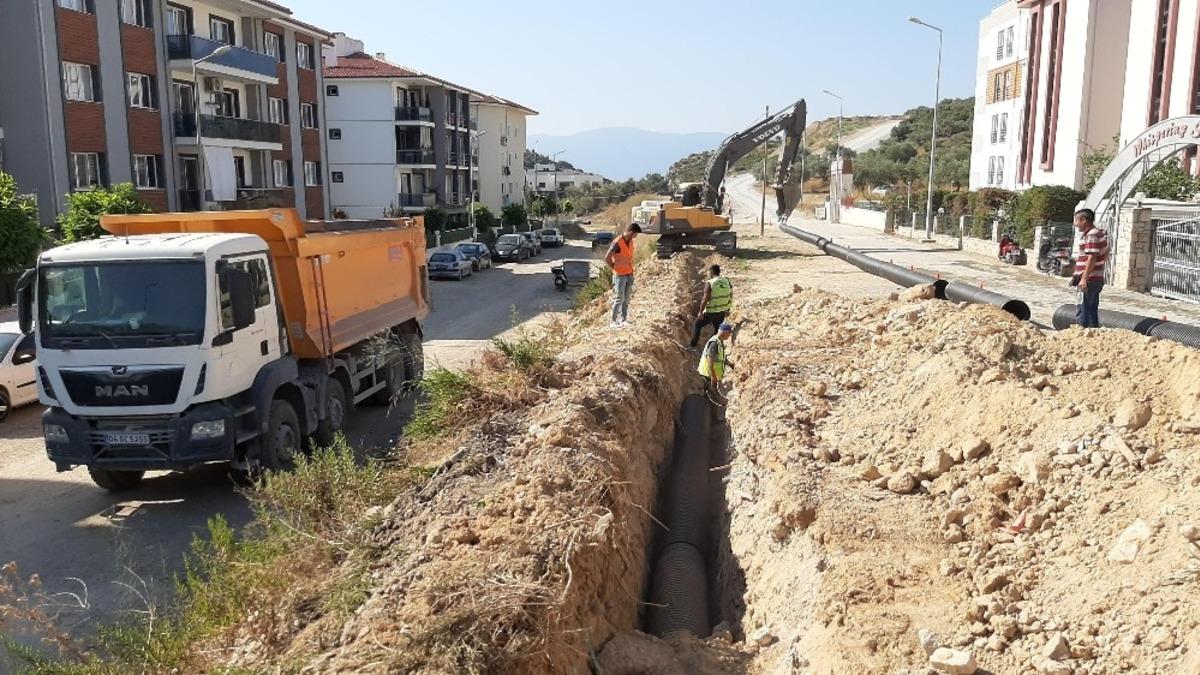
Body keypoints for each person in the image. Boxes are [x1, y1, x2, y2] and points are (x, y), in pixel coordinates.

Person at [1072, 208, 1108, 329]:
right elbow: (1106, 252)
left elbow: (1092, 257)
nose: (1075, 223)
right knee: (1092, 309)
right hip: (1095, 278)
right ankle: (1092, 335)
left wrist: (1084, 278)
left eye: (1076, 220)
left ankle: (1082, 335)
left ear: (1083, 220)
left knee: (1083, 310)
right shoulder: (1098, 233)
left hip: (1090, 279)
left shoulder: (1092, 234)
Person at [605, 222, 641, 328]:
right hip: (620, 275)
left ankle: (624, 319)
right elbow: (607, 258)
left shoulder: (630, 242)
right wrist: (614, 268)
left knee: (626, 298)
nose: (635, 237)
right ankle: (613, 321)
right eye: (635, 234)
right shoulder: (617, 242)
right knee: (619, 298)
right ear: (630, 232)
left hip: (629, 273)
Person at [690, 264, 733, 349]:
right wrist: (728, 308)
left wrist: (700, 312)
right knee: (717, 330)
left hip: (711, 311)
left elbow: (705, 300)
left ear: (712, 272)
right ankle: (716, 347)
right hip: (722, 311)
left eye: (709, 272)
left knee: (697, 324)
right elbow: (730, 295)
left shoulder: (710, 283)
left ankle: (692, 346)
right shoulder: (727, 280)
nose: (708, 274)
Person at [698, 322, 733, 390]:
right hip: (707, 375)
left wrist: (730, 364)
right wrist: (713, 376)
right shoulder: (715, 343)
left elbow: (719, 358)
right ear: (725, 332)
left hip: (709, 375)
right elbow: (709, 359)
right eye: (729, 333)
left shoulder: (719, 341)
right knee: (706, 394)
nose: (729, 336)